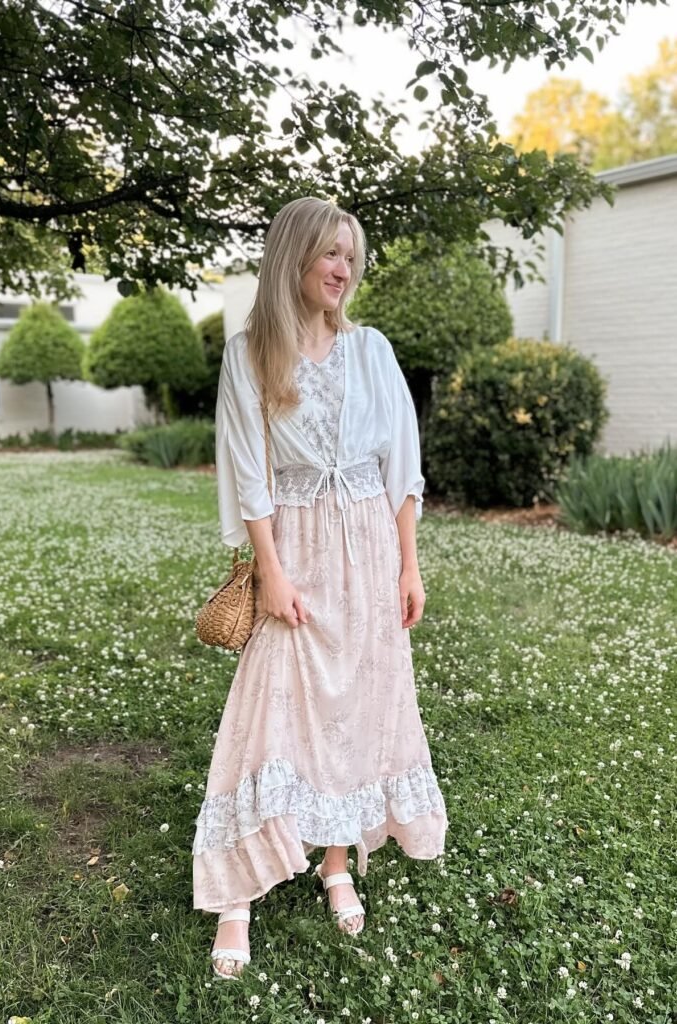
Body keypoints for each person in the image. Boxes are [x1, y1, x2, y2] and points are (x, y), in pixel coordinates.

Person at [192, 196, 447, 980]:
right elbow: (246, 470)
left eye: (350, 256)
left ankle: (336, 859)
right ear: (293, 258)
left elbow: (398, 468)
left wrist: (408, 566)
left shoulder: (371, 350)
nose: (344, 270)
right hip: (295, 548)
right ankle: (237, 890)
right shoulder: (250, 354)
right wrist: (270, 570)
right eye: (330, 254)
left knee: (361, 705)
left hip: (369, 547)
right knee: (268, 706)